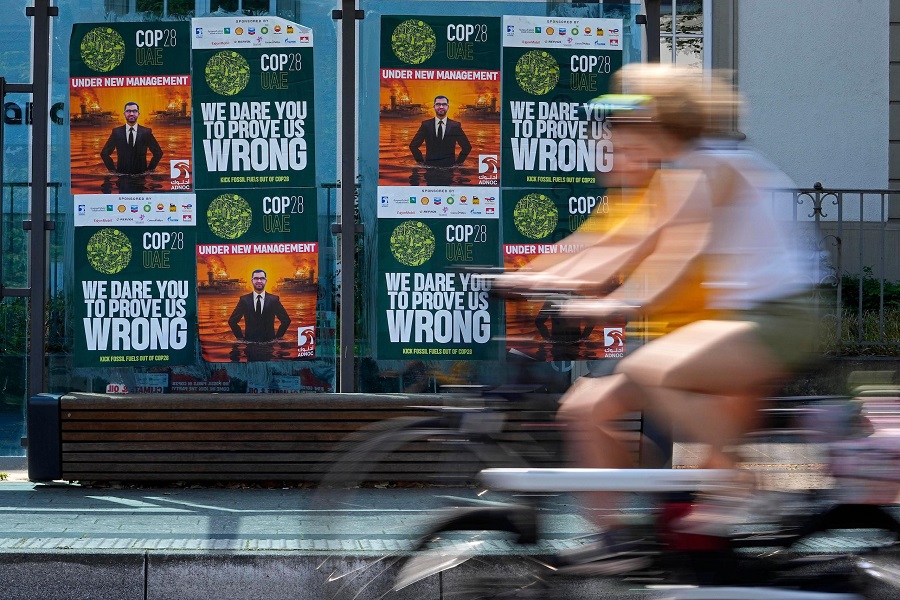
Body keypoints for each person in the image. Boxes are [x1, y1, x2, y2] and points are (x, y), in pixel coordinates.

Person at [501, 64, 820, 566]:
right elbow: (622, 243)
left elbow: (677, 258)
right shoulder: (686, 171)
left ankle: (744, 486)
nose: (618, 131)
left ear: (658, 120)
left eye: (630, 118)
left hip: (772, 319)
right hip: (745, 322)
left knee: (650, 370)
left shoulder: (710, 167)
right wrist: (530, 278)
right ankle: (622, 537)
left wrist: (616, 304)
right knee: (589, 406)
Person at [228, 269, 292, 343]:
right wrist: (240, 339)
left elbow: (286, 320)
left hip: (269, 344)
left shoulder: (274, 299)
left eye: (262, 278)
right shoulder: (244, 300)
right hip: (249, 344)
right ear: (252, 281)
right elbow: (232, 321)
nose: (259, 281)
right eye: (256, 278)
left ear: (265, 281)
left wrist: (277, 338)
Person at [100, 102, 163, 175]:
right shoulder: (116, 132)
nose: (131, 114)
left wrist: (150, 170)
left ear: (138, 114)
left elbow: (158, 153)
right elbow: (104, 153)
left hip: (141, 176)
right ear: (124, 114)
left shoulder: (146, 132)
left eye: (135, 111)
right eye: (128, 111)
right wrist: (112, 171)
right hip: (122, 176)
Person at [409, 95, 472, 167]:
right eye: (438, 104)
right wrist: (420, 162)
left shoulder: (455, 126)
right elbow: (413, 146)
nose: (441, 107)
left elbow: (467, 147)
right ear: (434, 107)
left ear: (448, 107)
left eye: (444, 104)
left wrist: (458, 163)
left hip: (449, 169)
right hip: (430, 168)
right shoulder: (426, 125)